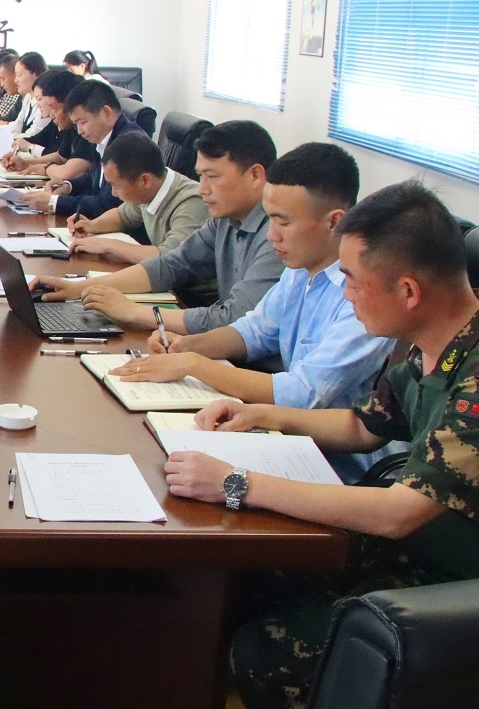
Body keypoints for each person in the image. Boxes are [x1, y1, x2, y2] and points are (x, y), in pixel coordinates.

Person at [164, 180, 479, 709]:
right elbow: (364, 426)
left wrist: (236, 482)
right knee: (242, 577)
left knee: (266, 653)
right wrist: (262, 414)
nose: (345, 293)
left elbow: (399, 513)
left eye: (352, 279)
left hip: (454, 588)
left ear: (408, 291)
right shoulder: (430, 344)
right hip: (418, 551)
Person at [112, 144, 398, 481]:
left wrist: (193, 364)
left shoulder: (362, 296)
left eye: (283, 221)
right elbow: (254, 331)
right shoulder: (299, 269)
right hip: (282, 436)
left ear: (334, 221)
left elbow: (304, 393)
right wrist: (186, 346)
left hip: (338, 468)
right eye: (269, 217)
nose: (271, 235)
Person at [33, 120, 283, 334]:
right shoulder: (224, 220)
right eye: (201, 176)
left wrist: (135, 312)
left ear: (255, 175)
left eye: (213, 177)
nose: (203, 188)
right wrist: (79, 289)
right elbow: (171, 264)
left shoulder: (278, 237)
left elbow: (236, 319)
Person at [66, 133, 209, 265]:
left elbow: (170, 257)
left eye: (116, 186)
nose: (114, 193)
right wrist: (91, 225)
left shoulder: (191, 202)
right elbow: (123, 216)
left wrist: (107, 245)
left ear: (145, 180)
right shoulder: (150, 192)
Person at [23, 80, 142, 220]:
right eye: (76, 123)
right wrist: (68, 186)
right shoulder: (103, 137)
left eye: (83, 122)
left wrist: (54, 202)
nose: (79, 131)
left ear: (106, 112)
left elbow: (107, 204)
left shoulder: (128, 145)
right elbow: (94, 178)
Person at [0, 68, 82, 169]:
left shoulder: (80, 132)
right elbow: (60, 157)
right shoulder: (67, 127)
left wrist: (44, 168)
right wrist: (26, 163)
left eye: (54, 108)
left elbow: (67, 170)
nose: (52, 115)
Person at [8, 51, 51, 139]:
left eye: (19, 75)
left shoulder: (44, 102)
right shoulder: (28, 98)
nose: (16, 80)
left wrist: (3, 137)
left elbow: (32, 135)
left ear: (35, 74)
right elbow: (16, 126)